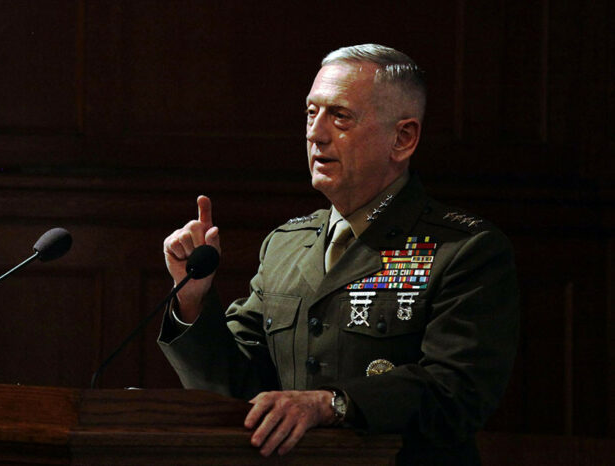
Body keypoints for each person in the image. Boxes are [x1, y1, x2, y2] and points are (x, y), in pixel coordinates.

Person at [158, 44, 519, 465]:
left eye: (340, 116)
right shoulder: (285, 245)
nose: (315, 133)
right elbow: (233, 388)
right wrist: (193, 297)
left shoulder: (465, 250)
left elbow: (457, 391)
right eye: (311, 113)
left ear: (402, 138)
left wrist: (332, 404)